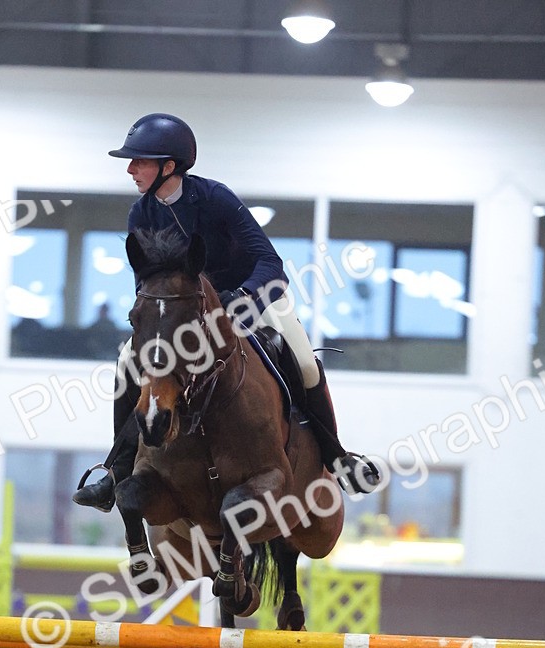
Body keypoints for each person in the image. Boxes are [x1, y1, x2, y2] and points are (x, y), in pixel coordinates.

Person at [73, 112, 379, 512]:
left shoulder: (215, 198)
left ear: (169, 166)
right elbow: (147, 282)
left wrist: (242, 298)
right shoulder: (141, 214)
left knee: (303, 359)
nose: (131, 169)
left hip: (250, 296)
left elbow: (271, 264)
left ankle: (337, 458)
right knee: (126, 363)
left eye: (140, 161)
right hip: (184, 317)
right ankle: (117, 471)